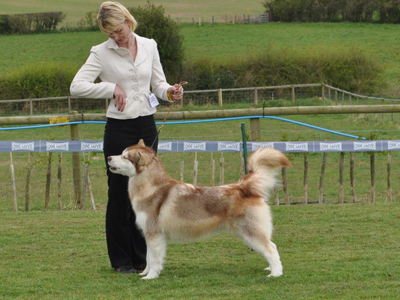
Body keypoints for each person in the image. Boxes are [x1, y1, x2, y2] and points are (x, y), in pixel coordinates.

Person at [70, 1, 184, 274]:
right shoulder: (100, 53)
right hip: (119, 129)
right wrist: (111, 88)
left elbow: (158, 84)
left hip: (146, 127)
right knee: (120, 195)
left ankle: (143, 257)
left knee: (149, 193)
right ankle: (122, 260)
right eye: (110, 34)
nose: (115, 37)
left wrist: (170, 92)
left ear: (128, 22)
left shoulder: (149, 45)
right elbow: (77, 86)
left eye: (118, 31)